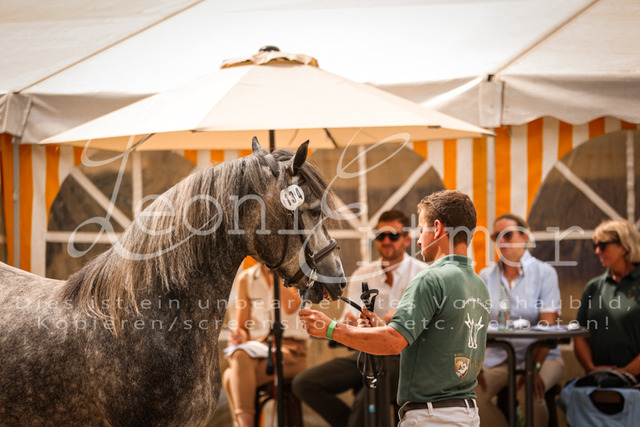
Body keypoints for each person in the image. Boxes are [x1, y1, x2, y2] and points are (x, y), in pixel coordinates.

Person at [300, 190, 490, 426]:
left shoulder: (429, 278)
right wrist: (381, 326)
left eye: (421, 230)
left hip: (432, 417)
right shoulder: (478, 284)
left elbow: (393, 343)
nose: (419, 240)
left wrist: (330, 329)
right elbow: (438, 342)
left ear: (437, 228)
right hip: (465, 414)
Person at [292, 209, 428, 427]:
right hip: (367, 355)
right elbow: (350, 317)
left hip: (405, 361)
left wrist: (389, 321)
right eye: (380, 235)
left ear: (406, 240)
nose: (386, 241)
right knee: (304, 383)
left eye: (393, 235)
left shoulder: (423, 274)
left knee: (369, 392)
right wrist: (349, 322)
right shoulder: (363, 273)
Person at [474, 214, 563, 427]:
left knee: (530, 392)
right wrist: (475, 365)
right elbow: (476, 325)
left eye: (507, 235)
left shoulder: (545, 273)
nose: (501, 241)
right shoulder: (486, 275)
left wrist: (535, 368)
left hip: (541, 358)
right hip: (498, 359)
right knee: (469, 396)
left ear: (524, 237)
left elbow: (548, 325)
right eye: (496, 236)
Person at [222, 263, 307, 427]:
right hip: (259, 349)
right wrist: (240, 335)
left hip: (292, 352)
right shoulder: (245, 279)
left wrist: (279, 271)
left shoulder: (295, 273)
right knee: (237, 360)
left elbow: (290, 307)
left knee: (230, 377)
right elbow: (242, 326)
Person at [574, 218, 640, 378]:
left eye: (603, 246)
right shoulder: (594, 286)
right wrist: (591, 368)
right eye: (595, 246)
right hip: (599, 381)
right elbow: (580, 335)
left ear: (624, 247)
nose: (597, 251)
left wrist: (626, 373)